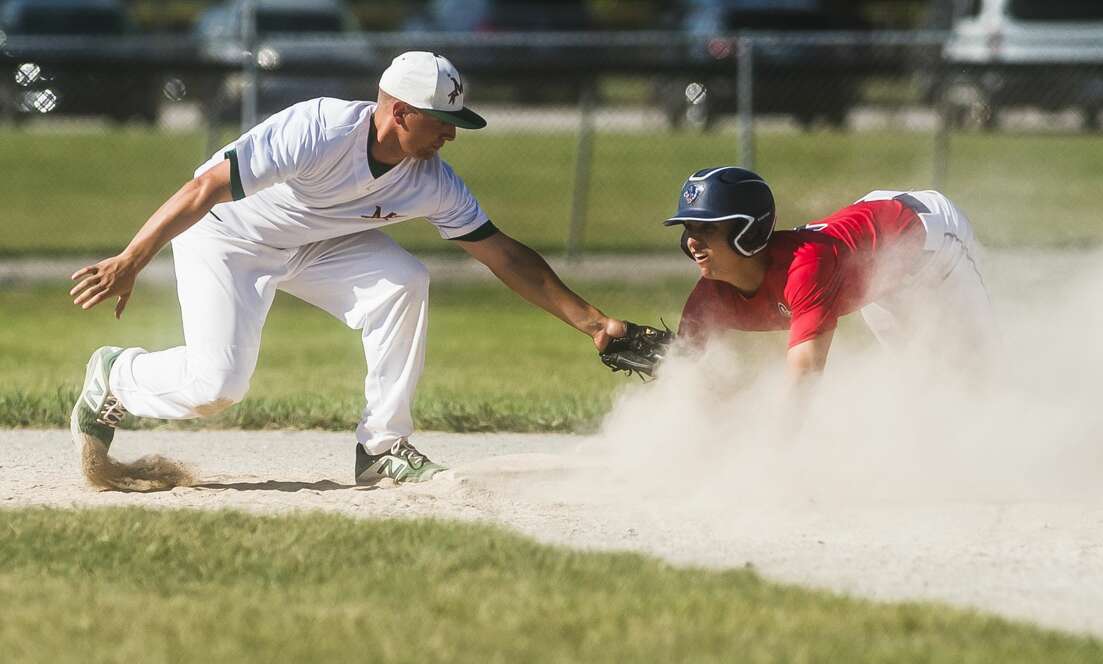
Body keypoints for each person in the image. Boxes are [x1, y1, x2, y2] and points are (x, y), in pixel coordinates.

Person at [69, 51, 627, 486]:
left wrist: (593, 322)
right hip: (229, 236)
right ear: (400, 112)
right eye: (442, 121)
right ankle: (117, 376)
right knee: (215, 389)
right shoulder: (319, 129)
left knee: (405, 282)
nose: (451, 134)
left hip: (317, 244)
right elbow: (205, 189)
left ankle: (382, 450)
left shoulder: (430, 178)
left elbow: (501, 252)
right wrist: (132, 259)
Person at [663, 166, 995, 380]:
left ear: (746, 232)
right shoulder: (711, 294)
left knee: (981, 368)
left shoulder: (805, 269)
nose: (692, 241)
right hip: (880, 271)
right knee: (920, 377)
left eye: (706, 228)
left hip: (929, 240)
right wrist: (621, 334)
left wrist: (765, 460)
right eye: (689, 229)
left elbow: (804, 377)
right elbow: (682, 364)